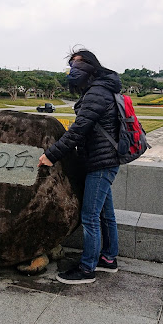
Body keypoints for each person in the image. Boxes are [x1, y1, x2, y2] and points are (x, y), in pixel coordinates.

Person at [38, 49, 122, 284]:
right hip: (102, 159)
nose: (73, 69)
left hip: (100, 161)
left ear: (90, 66)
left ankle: (87, 269)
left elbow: (78, 129)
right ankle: (108, 259)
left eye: (77, 64)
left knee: (90, 216)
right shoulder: (100, 88)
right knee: (106, 214)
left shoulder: (97, 92)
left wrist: (51, 155)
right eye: (71, 65)